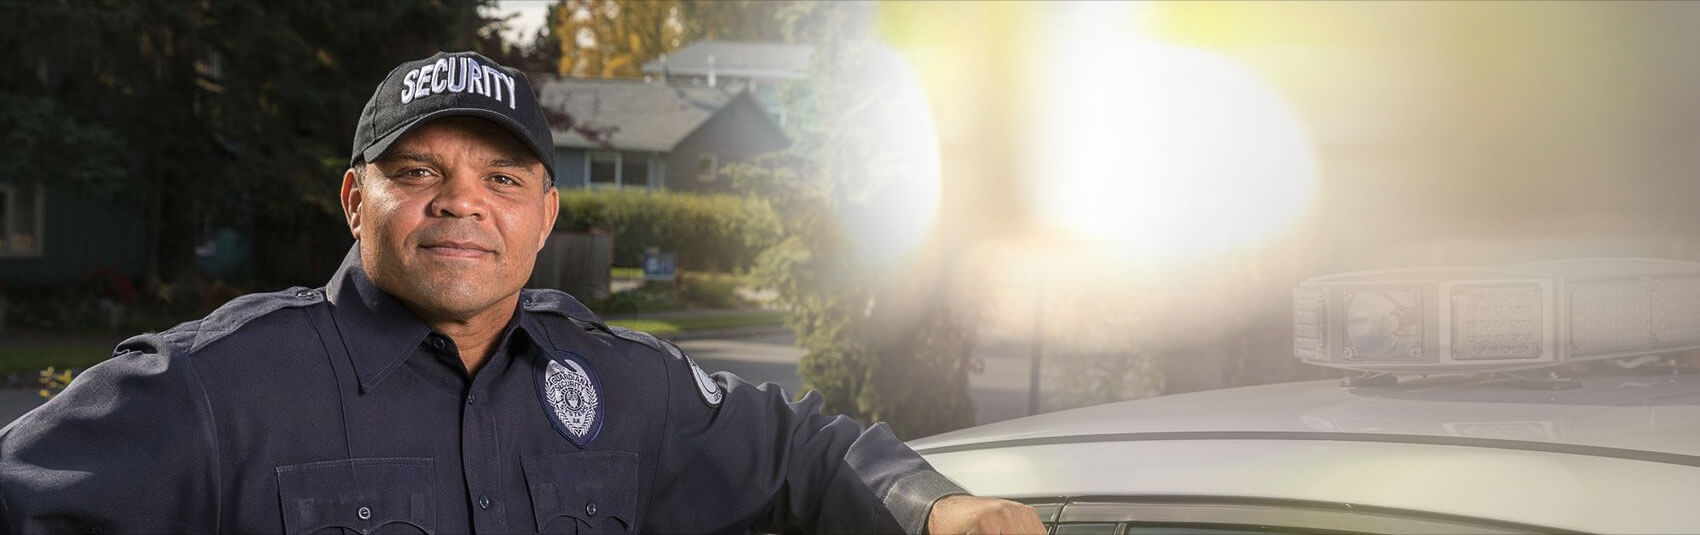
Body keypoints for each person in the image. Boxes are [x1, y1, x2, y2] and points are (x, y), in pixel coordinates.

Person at [0, 51, 1043, 534]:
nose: (463, 205)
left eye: (500, 180)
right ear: (354, 202)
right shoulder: (216, 390)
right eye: (419, 174)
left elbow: (800, 449)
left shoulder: (616, 382)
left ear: (545, 217)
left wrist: (936, 507)